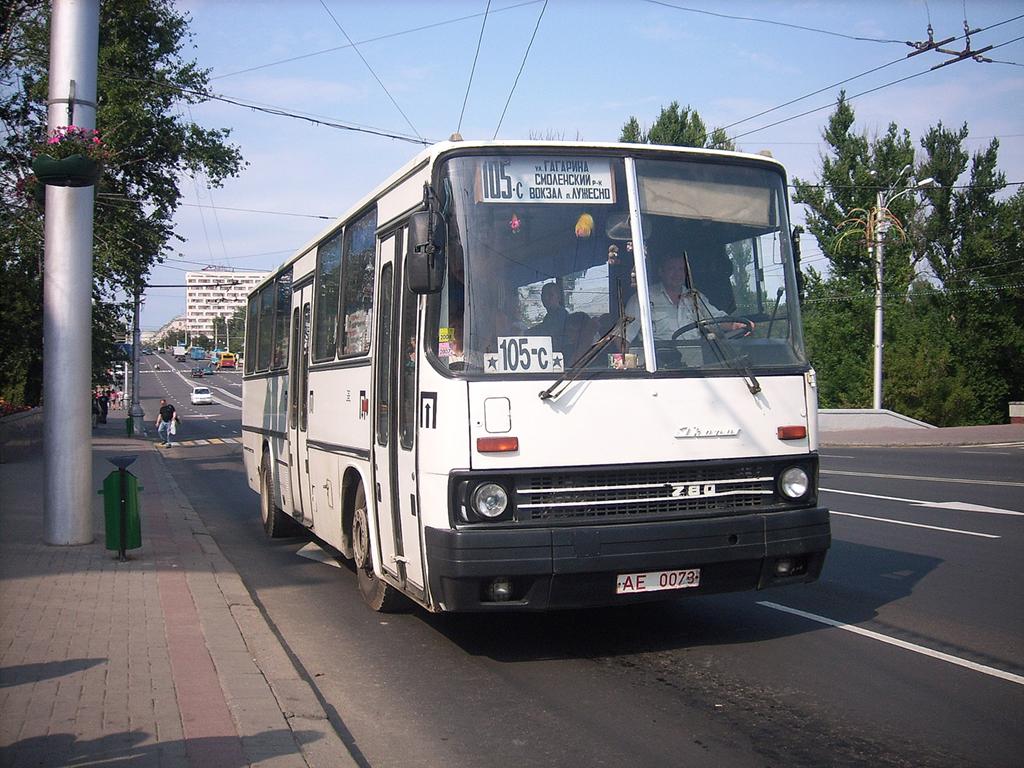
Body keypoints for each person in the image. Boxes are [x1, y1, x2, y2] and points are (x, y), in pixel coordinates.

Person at [624, 251, 749, 343]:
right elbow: (623, 337)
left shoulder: (695, 297)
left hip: (697, 370)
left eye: (680, 269)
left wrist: (736, 325)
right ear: (661, 272)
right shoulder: (643, 298)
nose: (677, 274)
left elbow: (716, 320)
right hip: (659, 372)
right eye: (671, 269)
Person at [529, 282, 569, 350]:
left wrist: (525, 333)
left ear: (558, 297)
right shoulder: (549, 316)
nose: (546, 298)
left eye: (550, 295)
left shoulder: (561, 316)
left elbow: (547, 331)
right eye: (544, 295)